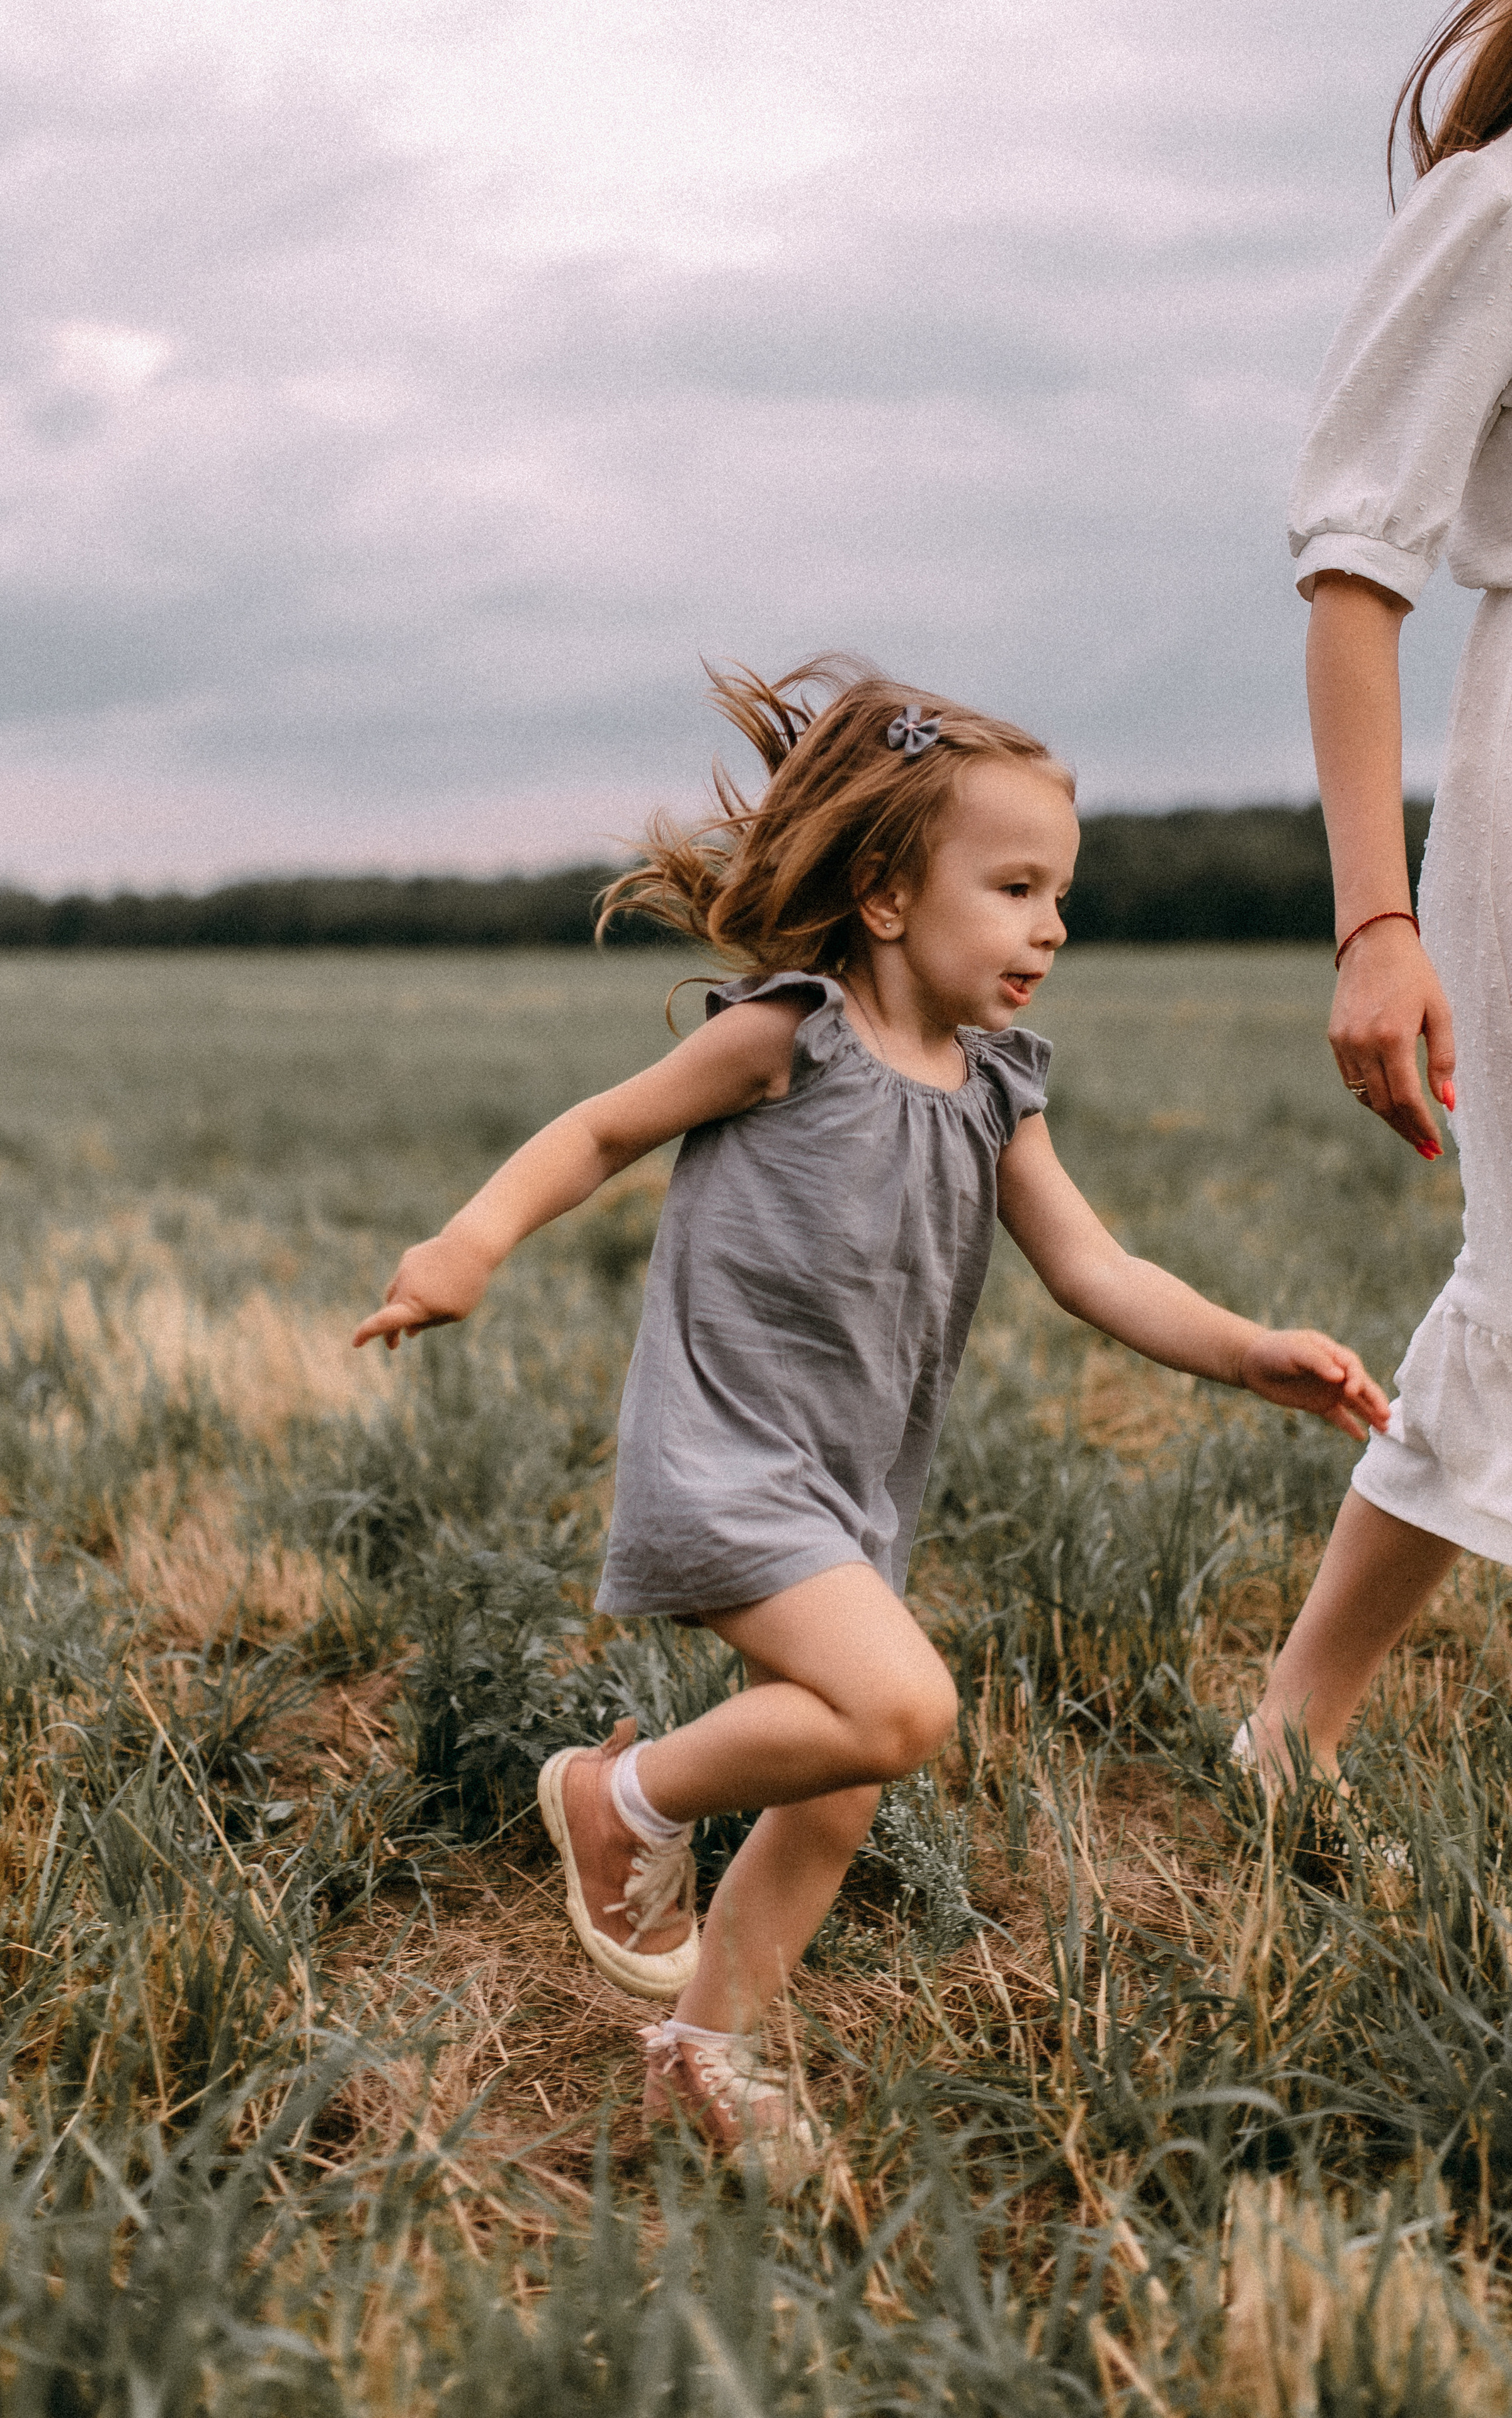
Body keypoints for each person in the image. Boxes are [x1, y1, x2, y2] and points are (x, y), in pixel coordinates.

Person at [355, 658, 1388, 2183]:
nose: (1050, 926)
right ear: (887, 896)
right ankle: (613, 1795)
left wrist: (1248, 1352)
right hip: (727, 1458)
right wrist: (466, 1245)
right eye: (1014, 889)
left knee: (838, 1782)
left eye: (1060, 896)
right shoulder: (792, 1035)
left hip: (849, 1488)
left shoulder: (993, 1090)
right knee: (899, 1710)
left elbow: (1094, 1269)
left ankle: (705, 2051)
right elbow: (601, 1128)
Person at [1240, 4, 1512, 1795]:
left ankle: (1287, 1736)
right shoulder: (1498, 207)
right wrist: (1374, 927)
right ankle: (1292, 1729)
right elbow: (1356, 576)